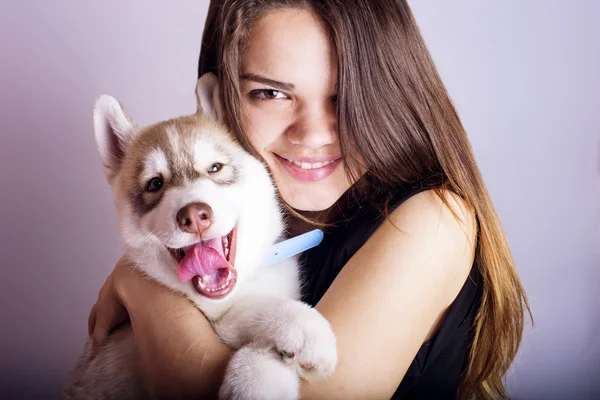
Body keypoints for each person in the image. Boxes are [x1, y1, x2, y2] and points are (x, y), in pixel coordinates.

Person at [87, 0, 531, 398]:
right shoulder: (267, 218)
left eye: (346, 97)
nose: (313, 134)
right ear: (224, 104)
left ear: (392, 98)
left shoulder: (431, 222)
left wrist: (140, 286)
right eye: (272, 93)